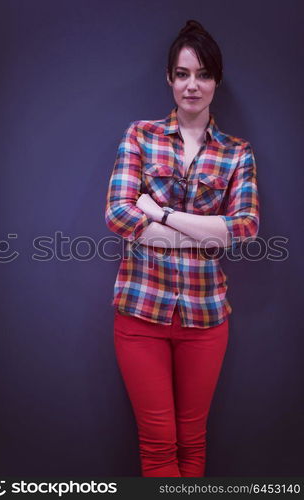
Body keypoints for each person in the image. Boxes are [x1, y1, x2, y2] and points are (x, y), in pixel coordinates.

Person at [105, 19, 259, 477]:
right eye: (183, 74)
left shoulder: (237, 152)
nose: (193, 85)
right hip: (139, 315)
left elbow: (245, 228)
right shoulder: (140, 135)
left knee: (193, 442)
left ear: (217, 81)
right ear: (170, 79)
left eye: (204, 74)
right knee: (157, 446)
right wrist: (205, 236)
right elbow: (118, 215)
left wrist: (162, 213)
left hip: (206, 318)